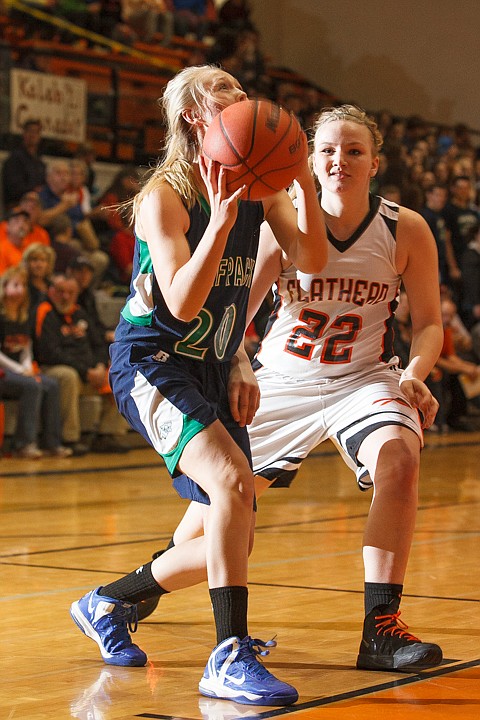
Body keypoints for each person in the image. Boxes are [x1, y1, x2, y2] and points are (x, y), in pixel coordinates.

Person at [139, 104, 445, 675]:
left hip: (365, 378)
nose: (339, 160)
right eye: (328, 149)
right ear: (306, 158)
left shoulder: (406, 228)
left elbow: (429, 321)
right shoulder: (282, 223)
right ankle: (138, 588)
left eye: (354, 151)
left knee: (400, 458)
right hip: (282, 380)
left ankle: (380, 628)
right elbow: (236, 313)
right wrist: (239, 366)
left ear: (375, 162)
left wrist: (412, 375)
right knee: (210, 521)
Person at [69, 64, 326, 707]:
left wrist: (302, 186)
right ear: (193, 117)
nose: (241, 99)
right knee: (235, 486)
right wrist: (220, 219)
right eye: (224, 92)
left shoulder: (265, 188)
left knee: (226, 528)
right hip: (154, 360)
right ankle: (227, 657)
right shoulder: (165, 195)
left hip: (213, 363)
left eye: (242, 90)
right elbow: (181, 306)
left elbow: (313, 262)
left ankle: (110, 602)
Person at [34, 274, 130, 455]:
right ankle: (69, 438)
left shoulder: (79, 312)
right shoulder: (44, 312)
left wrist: (100, 365)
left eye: (71, 293)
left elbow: (98, 343)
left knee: (119, 372)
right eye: (61, 292)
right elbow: (48, 352)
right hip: (54, 368)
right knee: (67, 376)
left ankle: (106, 435)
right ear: (51, 292)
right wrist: (85, 370)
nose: (65, 297)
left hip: (89, 370)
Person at [0, 265, 72, 459]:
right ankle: (23, 444)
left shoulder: (24, 316)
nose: (21, 289)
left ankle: (52, 443)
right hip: (3, 372)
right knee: (32, 386)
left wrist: (26, 367)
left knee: (51, 385)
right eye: (15, 284)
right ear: (4, 287)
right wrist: (18, 370)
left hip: (18, 371)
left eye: (23, 285)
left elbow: (26, 347)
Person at [1, 119, 46, 210]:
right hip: (17, 205)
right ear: (24, 134)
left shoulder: (40, 163)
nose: (33, 135)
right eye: (30, 131)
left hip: (37, 205)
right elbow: (13, 189)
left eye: (36, 132)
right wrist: (34, 190)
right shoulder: (15, 158)